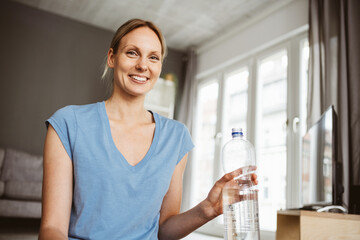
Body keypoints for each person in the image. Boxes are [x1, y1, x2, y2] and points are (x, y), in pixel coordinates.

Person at [38, 18, 258, 240]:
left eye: (153, 57)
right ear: (112, 58)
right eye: (132, 53)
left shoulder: (176, 136)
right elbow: (52, 229)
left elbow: (164, 229)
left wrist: (208, 209)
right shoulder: (68, 123)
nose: (143, 65)